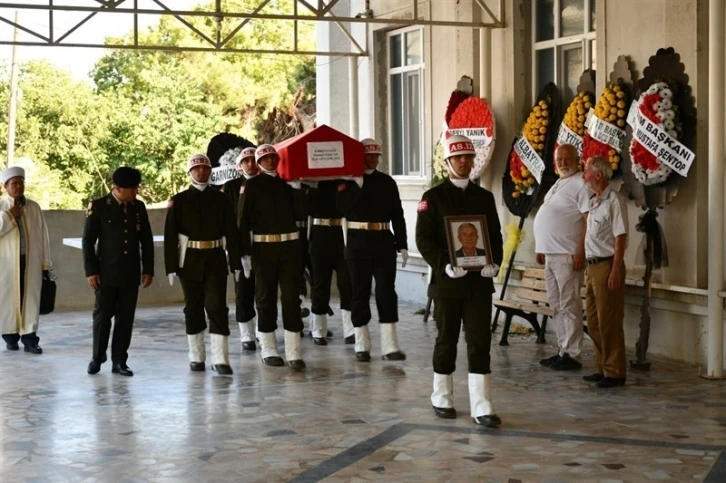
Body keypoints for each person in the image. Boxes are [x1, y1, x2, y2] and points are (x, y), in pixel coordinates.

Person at [415, 135, 503, 428]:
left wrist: (495, 263)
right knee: (447, 339)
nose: (464, 162)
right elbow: (423, 240)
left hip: (478, 284)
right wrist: (444, 265)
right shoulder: (433, 198)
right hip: (447, 283)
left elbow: (494, 237)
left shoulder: (484, 198)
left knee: (480, 340)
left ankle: (482, 404)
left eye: (468, 157)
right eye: (458, 157)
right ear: (447, 162)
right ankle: (442, 396)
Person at [164, 154, 242, 375]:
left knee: (217, 306)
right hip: (189, 261)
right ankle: (196, 356)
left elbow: (231, 232)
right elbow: (170, 235)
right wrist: (171, 266)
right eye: (196, 169)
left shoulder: (221, 198)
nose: (201, 172)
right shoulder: (178, 201)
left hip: (215, 258)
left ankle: (221, 359)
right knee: (193, 308)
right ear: (190, 172)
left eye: (205, 168)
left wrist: (235, 261)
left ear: (210, 172)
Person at [336, 138, 408, 362]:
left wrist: (403, 243)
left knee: (387, 291)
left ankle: (390, 345)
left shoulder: (387, 182)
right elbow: (342, 208)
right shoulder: (346, 182)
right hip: (358, 243)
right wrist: (356, 184)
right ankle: (362, 342)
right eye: (368, 155)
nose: (373, 160)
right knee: (360, 292)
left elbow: (397, 213)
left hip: (384, 242)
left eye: (376, 156)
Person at [238, 144, 307, 369]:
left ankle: (294, 351)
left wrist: (297, 190)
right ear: (258, 163)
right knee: (265, 298)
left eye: (272, 157)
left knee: (290, 298)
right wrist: (244, 254)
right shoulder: (251, 186)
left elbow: (301, 215)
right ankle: (268, 347)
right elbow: (243, 222)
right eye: (265, 158)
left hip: (289, 248)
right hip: (263, 249)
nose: (269, 161)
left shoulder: (287, 185)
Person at [83, 167, 154, 376]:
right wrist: (91, 271)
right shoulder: (98, 207)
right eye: (132, 188)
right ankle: (97, 357)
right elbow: (88, 241)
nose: (136, 192)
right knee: (102, 316)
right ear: (118, 189)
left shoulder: (138, 207)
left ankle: (119, 361)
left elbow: (146, 240)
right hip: (105, 273)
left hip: (130, 273)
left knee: (125, 318)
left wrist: (148, 269)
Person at [533, 144, 590, 371]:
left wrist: (581, 251)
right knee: (556, 305)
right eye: (559, 159)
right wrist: (540, 245)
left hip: (568, 255)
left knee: (570, 304)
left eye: (568, 159)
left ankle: (573, 354)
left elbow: (588, 220)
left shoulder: (581, 184)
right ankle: (563, 350)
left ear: (578, 160)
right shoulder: (558, 184)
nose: (563, 162)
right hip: (550, 255)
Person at [581, 155, 628, 388]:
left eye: (586, 171)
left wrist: (616, 269)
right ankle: (602, 366)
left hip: (607, 265)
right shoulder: (594, 201)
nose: (583, 175)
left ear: (598, 174)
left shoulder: (614, 200)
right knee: (592, 321)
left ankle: (615, 371)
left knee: (609, 320)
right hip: (591, 267)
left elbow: (620, 237)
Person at [0, 167, 52, 354]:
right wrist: (9, 215)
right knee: (8, 301)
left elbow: (43, 235)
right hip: (6, 265)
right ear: (5, 187)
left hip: (31, 262)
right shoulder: (1, 207)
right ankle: (10, 337)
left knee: (30, 300)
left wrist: (46, 263)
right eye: (14, 183)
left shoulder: (33, 207)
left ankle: (30, 339)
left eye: (21, 183)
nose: (18, 187)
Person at [306, 179, 354, 345]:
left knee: (346, 283)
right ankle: (318, 330)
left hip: (341, 234)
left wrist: (342, 190)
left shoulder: (346, 183)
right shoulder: (313, 185)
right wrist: (312, 189)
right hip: (320, 235)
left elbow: (348, 208)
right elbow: (307, 209)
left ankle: (350, 329)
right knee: (320, 284)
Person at [223, 146, 259, 351]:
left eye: (254, 160)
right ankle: (247, 334)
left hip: (264, 245)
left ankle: (264, 331)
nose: (251, 164)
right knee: (243, 291)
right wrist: (232, 249)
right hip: (240, 246)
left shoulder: (267, 183)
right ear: (239, 165)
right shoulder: (230, 187)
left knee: (265, 291)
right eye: (246, 161)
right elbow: (228, 220)